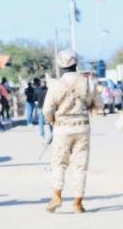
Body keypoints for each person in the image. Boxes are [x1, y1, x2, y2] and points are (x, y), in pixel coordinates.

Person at [42, 50, 100, 214]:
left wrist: (54, 123)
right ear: (76, 63)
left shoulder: (55, 85)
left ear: (60, 66)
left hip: (62, 128)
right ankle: (77, 203)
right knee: (80, 166)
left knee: (59, 164)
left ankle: (57, 196)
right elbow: (99, 105)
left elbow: (47, 110)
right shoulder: (88, 83)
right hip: (82, 127)